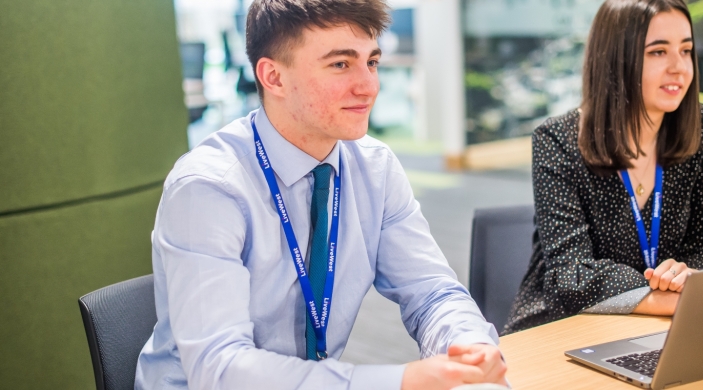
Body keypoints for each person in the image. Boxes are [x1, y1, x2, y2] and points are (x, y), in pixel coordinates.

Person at [134, 1, 507, 389]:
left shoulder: (374, 168)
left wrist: (469, 347)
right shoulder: (208, 188)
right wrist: (399, 381)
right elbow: (219, 369)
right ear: (274, 77)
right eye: (341, 64)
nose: (368, 86)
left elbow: (431, 292)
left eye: (372, 62)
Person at [504, 0, 703, 334]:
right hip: (567, 327)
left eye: (686, 50)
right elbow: (570, 276)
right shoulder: (557, 140)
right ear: (617, 60)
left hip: (663, 326)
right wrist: (661, 299)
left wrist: (688, 273)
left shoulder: (697, 125)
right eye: (658, 52)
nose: (679, 67)